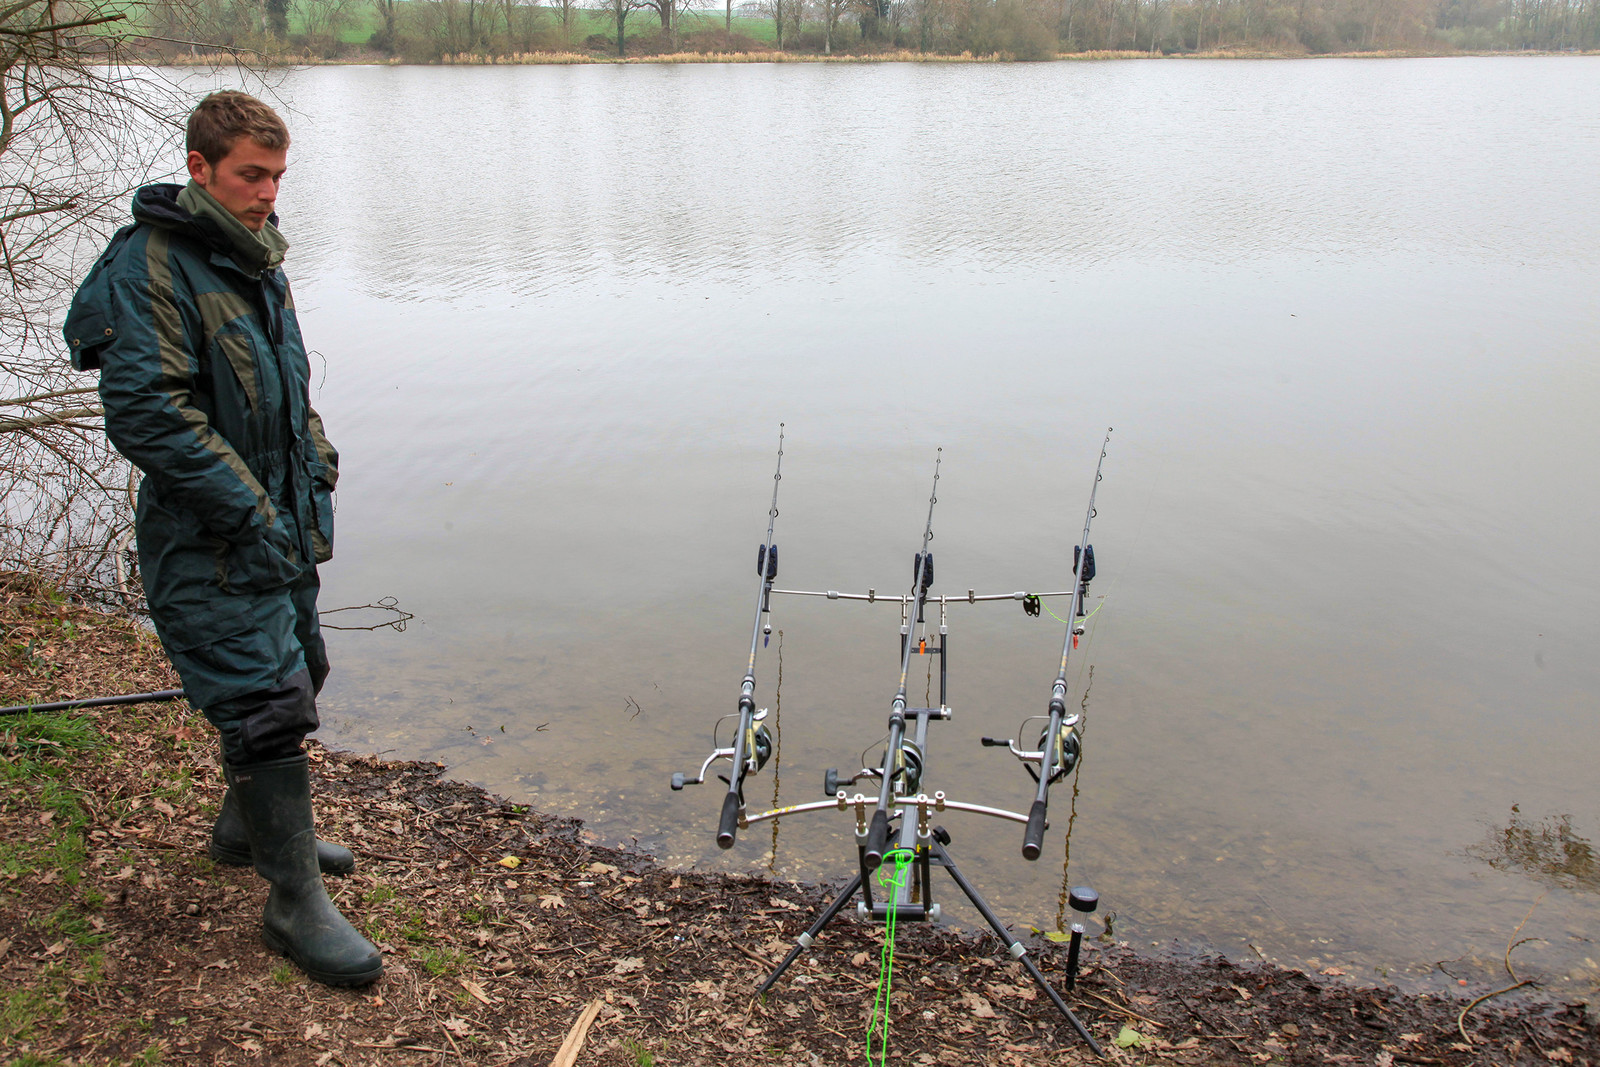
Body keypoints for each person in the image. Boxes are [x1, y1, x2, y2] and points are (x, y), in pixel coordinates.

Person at [63, 91, 381, 987]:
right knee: (264, 703)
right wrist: (250, 509)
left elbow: (285, 384)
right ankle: (292, 901)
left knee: (303, 667)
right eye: (251, 175)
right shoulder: (149, 268)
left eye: (277, 176)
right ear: (199, 168)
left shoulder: (252, 257)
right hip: (208, 536)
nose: (268, 193)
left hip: (279, 520)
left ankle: (249, 828)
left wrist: (315, 460)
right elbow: (149, 414)